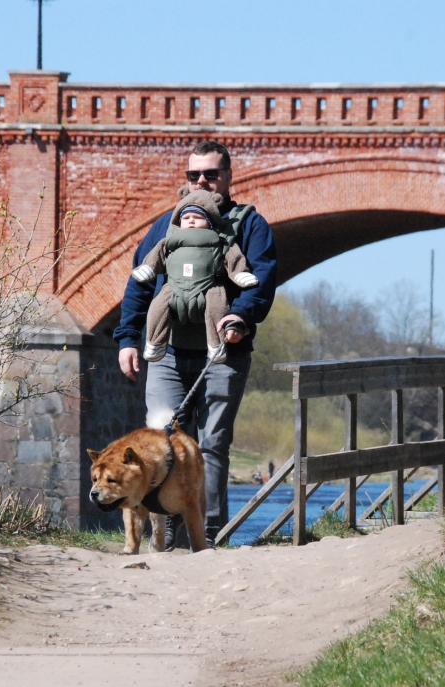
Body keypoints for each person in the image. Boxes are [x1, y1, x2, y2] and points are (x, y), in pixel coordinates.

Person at [114, 141, 277, 548]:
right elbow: (140, 282)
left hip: (224, 353)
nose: (202, 181)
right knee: (160, 441)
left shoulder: (249, 225)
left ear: (228, 177)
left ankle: (208, 534)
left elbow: (260, 279)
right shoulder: (166, 227)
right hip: (168, 354)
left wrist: (241, 316)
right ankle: (161, 535)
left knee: (212, 444)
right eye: (193, 175)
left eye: (211, 174)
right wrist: (127, 338)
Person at [131, 187, 259, 364]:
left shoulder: (218, 242)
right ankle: (154, 343)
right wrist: (149, 268)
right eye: (186, 218)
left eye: (197, 218)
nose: (191, 222)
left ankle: (216, 345)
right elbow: (157, 255)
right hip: (174, 286)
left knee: (217, 305)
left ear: (210, 221)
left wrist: (239, 273)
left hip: (210, 285)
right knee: (158, 307)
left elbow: (232, 257)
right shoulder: (169, 241)